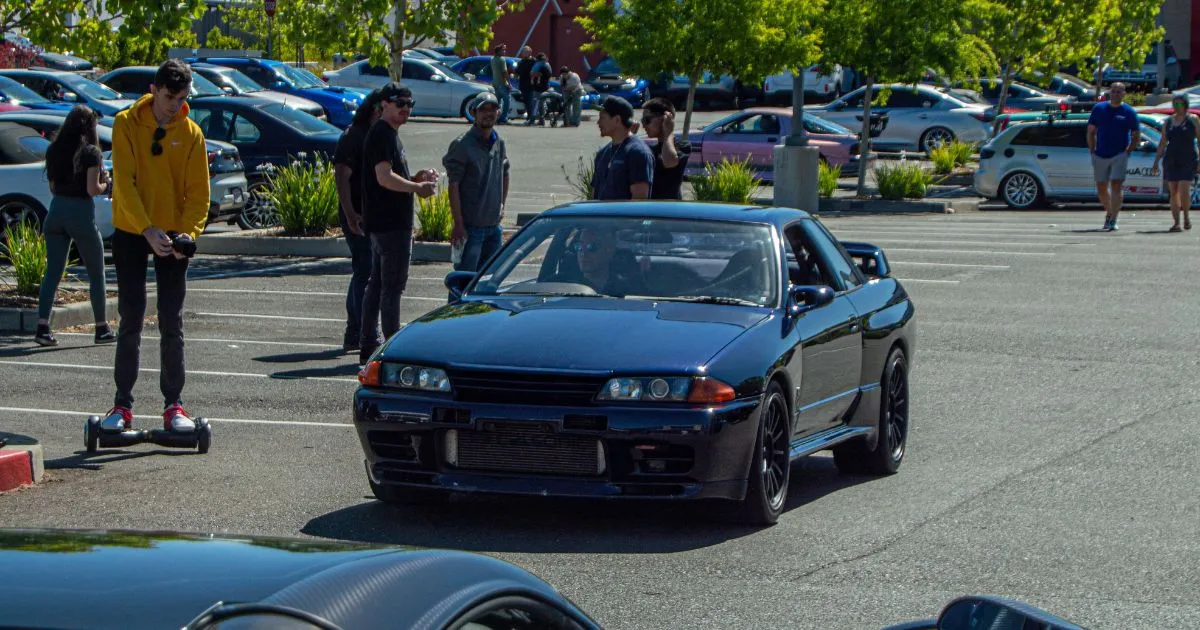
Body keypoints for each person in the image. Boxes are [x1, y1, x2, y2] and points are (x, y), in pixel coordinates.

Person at [101, 59, 210, 433]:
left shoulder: (192, 133)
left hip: (174, 232)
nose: (174, 105)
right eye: (168, 96)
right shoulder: (125, 124)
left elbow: (199, 194)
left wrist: (188, 236)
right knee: (131, 317)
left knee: (171, 321)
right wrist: (146, 228)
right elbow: (125, 183)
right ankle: (121, 406)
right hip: (134, 230)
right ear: (153, 89)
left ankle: (174, 405)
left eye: (181, 98)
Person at [359, 82, 438, 365]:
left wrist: (415, 179)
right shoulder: (382, 133)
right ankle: (390, 347)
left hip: (384, 223)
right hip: (390, 225)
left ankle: (369, 342)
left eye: (410, 104)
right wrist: (418, 189)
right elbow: (383, 177)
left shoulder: (388, 134)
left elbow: (390, 177)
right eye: (399, 102)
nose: (406, 108)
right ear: (384, 105)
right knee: (391, 287)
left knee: (378, 284)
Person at [33, 105, 112, 347]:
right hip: (80, 213)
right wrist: (105, 183)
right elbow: (91, 189)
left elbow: (53, 187)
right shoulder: (91, 152)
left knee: (53, 273)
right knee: (96, 273)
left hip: (56, 211)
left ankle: (43, 327)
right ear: (90, 127)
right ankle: (102, 328)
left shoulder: (54, 149)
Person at [333, 88, 383, 353]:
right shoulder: (355, 134)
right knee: (365, 271)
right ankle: (359, 331)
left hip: (374, 214)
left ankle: (358, 331)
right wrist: (351, 214)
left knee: (368, 271)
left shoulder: (378, 134)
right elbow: (341, 175)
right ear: (376, 108)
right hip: (358, 215)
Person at [443, 93, 510, 278]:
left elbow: (505, 172)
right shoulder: (462, 145)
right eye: (483, 110)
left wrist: (502, 205)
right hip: (471, 228)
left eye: (492, 109)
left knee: (487, 283)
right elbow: (454, 184)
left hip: (493, 228)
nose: (488, 114)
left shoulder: (498, 141)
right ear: (473, 113)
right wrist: (458, 223)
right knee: (463, 282)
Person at [1087, 82, 1140, 231]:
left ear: (1124, 94)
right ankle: (1109, 212)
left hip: (1119, 154)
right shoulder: (1099, 108)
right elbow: (1091, 130)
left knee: (1116, 185)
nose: (1116, 94)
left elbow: (1136, 133)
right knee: (1101, 188)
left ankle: (1114, 219)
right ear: (1110, 92)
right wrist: (1092, 149)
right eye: (1114, 91)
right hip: (1100, 154)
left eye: (1119, 92)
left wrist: (1128, 151)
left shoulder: (1128, 111)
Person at [1151, 94, 1200, 232]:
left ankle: (1186, 216)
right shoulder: (1168, 122)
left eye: (1179, 104)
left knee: (1184, 190)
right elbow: (1162, 142)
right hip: (1171, 159)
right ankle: (1176, 222)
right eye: (1175, 104)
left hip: (1188, 158)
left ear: (1185, 105)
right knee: (1173, 191)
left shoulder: (1193, 120)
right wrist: (1156, 162)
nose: (1177, 107)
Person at [590, 96, 654, 200]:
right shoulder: (602, 153)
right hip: (601, 216)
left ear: (617, 120)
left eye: (602, 118)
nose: (598, 123)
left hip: (623, 216)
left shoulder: (638, 153)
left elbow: (639, 201)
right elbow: (594, 197)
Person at [640, 97, 690, 200]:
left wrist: (668, 132)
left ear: (664, 118)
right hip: (650, 208)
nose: (643, 126)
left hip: (669, 209)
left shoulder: (682, 147)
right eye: (642, 121)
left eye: (647, 120)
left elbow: (669, 162)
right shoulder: (649, 150)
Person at [489, 44, 512, 124]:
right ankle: (503, 118)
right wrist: (509, 83)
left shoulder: (492, 59)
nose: (505, 51)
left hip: (495, 83)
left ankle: (495, 117)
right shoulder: (502, 59)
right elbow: (504, 72)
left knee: (497, 103)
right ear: (499, 51)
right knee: (507, 101)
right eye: (503, 50)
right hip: (502, 84)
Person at [528, 53, 552, 125]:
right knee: (542, 103)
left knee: (536, 103)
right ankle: (542, 119)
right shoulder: (548, 65)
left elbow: (532, 73)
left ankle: (532, 119)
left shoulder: (538, 64)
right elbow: (549, 75)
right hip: (546, 86)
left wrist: (537, 75)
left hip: (538, 87)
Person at [515, 47, 536, 124]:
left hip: (531, 85)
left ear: (530, 52)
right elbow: (517, 72)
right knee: (526, 102)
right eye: (523, 52)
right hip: (522, 85)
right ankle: (528, 117)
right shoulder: (521, 62)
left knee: (530, 102)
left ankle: (531, 118)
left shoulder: (533, 62)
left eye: (525, 52)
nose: (523, 53)